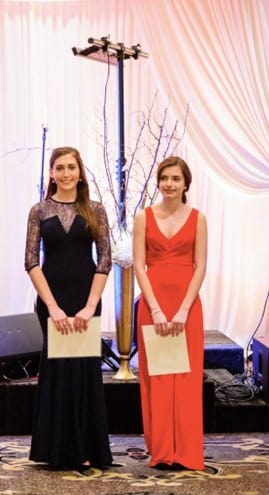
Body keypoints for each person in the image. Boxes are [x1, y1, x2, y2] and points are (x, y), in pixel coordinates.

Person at [24, 146, 113, 469]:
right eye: (59, 168)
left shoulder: (95, 210)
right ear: (51, 173)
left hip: (86, 299)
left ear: (79, 171)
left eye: (71, 167)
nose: (65, 173)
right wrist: (52, 307)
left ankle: (87, 448)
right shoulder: (39, 210)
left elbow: (105, 259)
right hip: (52, 301)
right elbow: (30, 261)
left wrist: (90, 305)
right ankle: (56, 450)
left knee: (85, 371)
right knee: (57, 372)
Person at [132, 155, 207, 470]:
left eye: (176, 178)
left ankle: (186, 452)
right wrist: (156, 309)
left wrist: (184, 309)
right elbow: (139, 265)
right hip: (154, 305)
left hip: (187, 306)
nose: (169, 184)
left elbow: (200, 266)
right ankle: (162, 451)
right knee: (159, 378)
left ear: (185, 183)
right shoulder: (143, 217)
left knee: (186, 380)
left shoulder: (199, 219)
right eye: (164, 178)